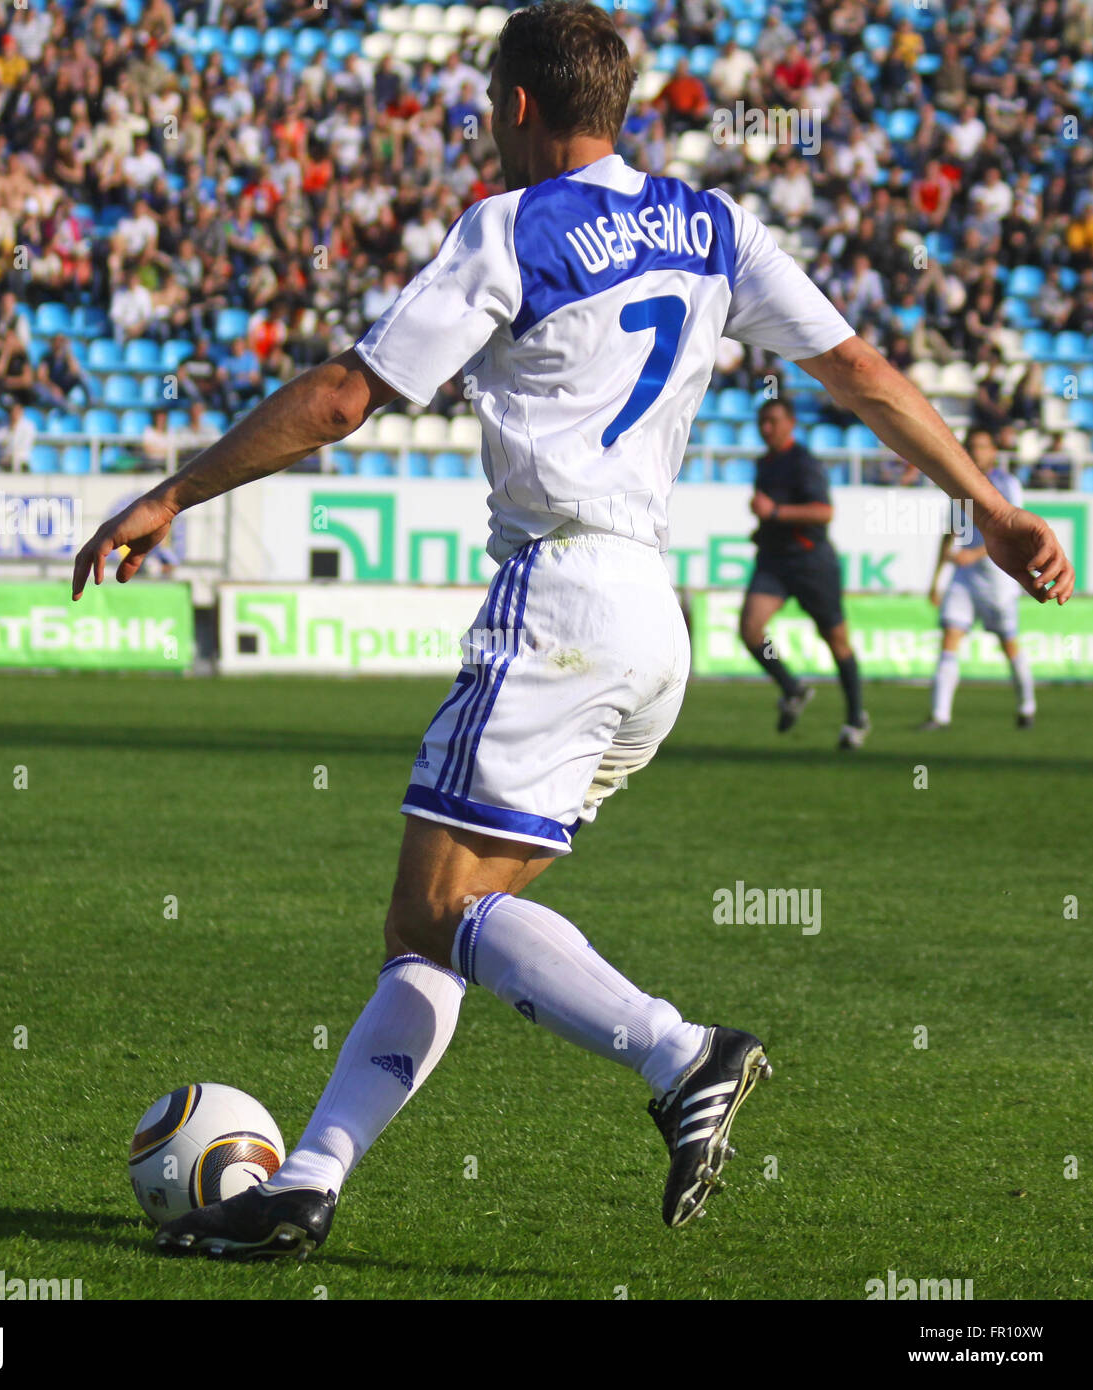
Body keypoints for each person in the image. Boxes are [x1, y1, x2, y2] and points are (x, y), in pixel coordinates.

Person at [72, 2, 1073, 1263]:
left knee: (440, 910)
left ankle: (680, 1052)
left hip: (555, 599)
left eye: (490, 103)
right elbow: (861, 371)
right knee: (431, 924)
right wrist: (989, 504)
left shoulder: (509, 228)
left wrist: (170, 494)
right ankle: (308, 1183)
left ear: (518, 105)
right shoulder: (716, 226)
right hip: (654, 622)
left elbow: (341, 396)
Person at [739, 398, 870, 749]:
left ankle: (856, 717)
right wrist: (765, 528)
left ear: (791, 423)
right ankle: (792, 688)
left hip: (812, 563)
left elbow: (824, 512)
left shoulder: (803, 461)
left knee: (836, 640)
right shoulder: (764, 464)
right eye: (762, 421)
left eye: (773, 421)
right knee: (751, 630)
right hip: (775, 560)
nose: (767, 427)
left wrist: (776, 513)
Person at [922, 429, 1036, 730]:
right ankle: (940, 715)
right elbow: (949, 533)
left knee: (1008, 643)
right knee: (950, 636)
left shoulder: (1006, 485)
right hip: (964, 576)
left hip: (997, 577)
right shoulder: (957, 485)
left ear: (994, 452)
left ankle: (1027, 706)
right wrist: (936, 580)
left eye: (983, 447)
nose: (977, 452)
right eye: (972, 447)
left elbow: (1012, 532)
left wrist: (973, 555)